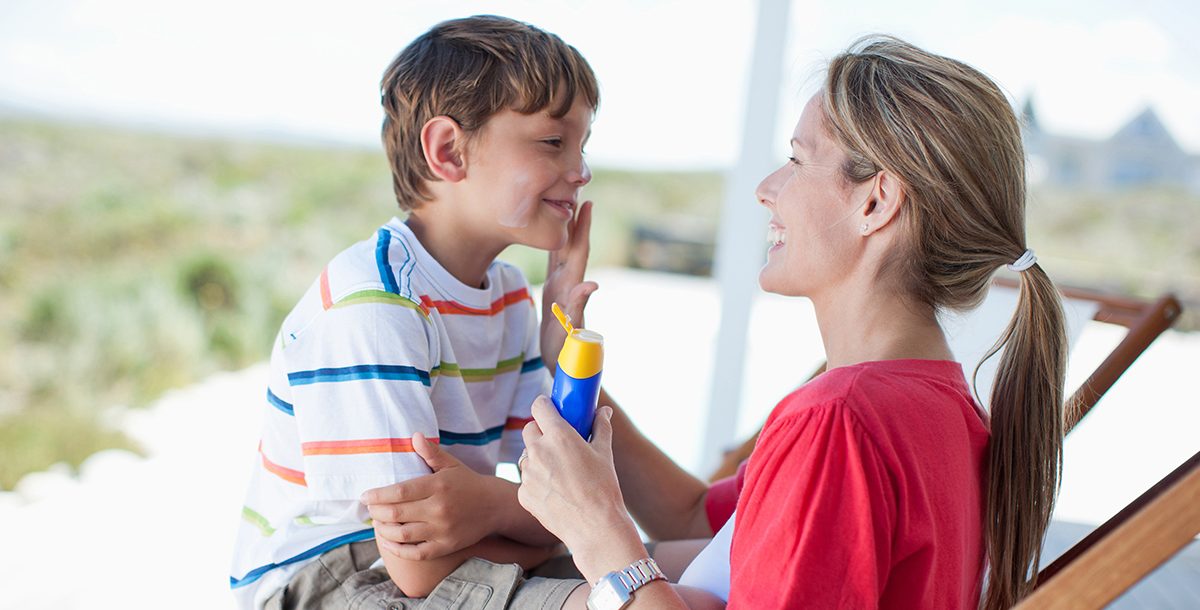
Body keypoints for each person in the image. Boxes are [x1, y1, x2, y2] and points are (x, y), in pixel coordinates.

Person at [369, 35, 1069, 609]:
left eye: (797, 160)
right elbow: (703, 522)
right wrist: (566, 368)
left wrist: (602, 535)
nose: (768, 187)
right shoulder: (933, 404)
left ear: (876, 202)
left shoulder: (843, 421)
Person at [228, 15, 602, 610]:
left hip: (441, 556)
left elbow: (562, 495)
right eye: (554, 142)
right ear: (449, 151)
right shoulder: (378, 307)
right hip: (325, 580)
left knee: (659, 578)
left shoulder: (505, 295)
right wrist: (525, 517)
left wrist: (562, 361)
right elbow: (420, 567)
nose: (581, 170)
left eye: (584, 146)